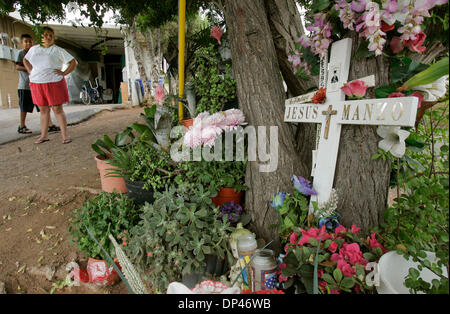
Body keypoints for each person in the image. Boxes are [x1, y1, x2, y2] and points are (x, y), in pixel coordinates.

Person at [23, 26, 78, 144]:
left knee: (57, 109)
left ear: (53, 37)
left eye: (50, 35)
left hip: (54, 82)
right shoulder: (34, 49)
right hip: (37, 82)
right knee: (43, 109)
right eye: (45, 34)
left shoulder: (57, 50)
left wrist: (64, 73)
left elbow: (74, 62)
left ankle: (65, 136)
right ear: (40, 36)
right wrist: (30, 71)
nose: (48, 37)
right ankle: (44, 135)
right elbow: (25, 60)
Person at [15, 33, 60, 134]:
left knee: (43, 105)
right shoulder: (21, 53)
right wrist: (30, 70)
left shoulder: (35, 53)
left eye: (30, 41)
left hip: (37, 84)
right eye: (26, 42)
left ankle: (50, 125)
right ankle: (22, 126)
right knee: (24, 107)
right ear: (22, 43)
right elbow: (17, 67)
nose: (28, 43)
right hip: (25, 85)